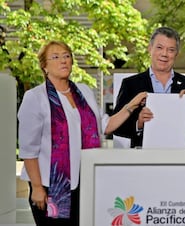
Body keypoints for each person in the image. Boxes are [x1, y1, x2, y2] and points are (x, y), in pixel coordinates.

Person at [17, 40, 147, 226]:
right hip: (49, 185)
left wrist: (131, 105)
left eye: (67, 56)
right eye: (55, 57)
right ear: (44, 66)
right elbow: (29, 149)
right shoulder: (35, 97)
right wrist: (37, 187)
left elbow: (105, 125)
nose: (63, 60)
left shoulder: (84, 91)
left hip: (83, 182)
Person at [113, 27, 185, 148]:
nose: (164, 54)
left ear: (176, 54)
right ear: (150, 49)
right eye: (159, 48)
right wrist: (139, 123)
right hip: (143, 158)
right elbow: (116, 127)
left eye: (171, 50)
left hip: (180, 156)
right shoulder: (131, 84)